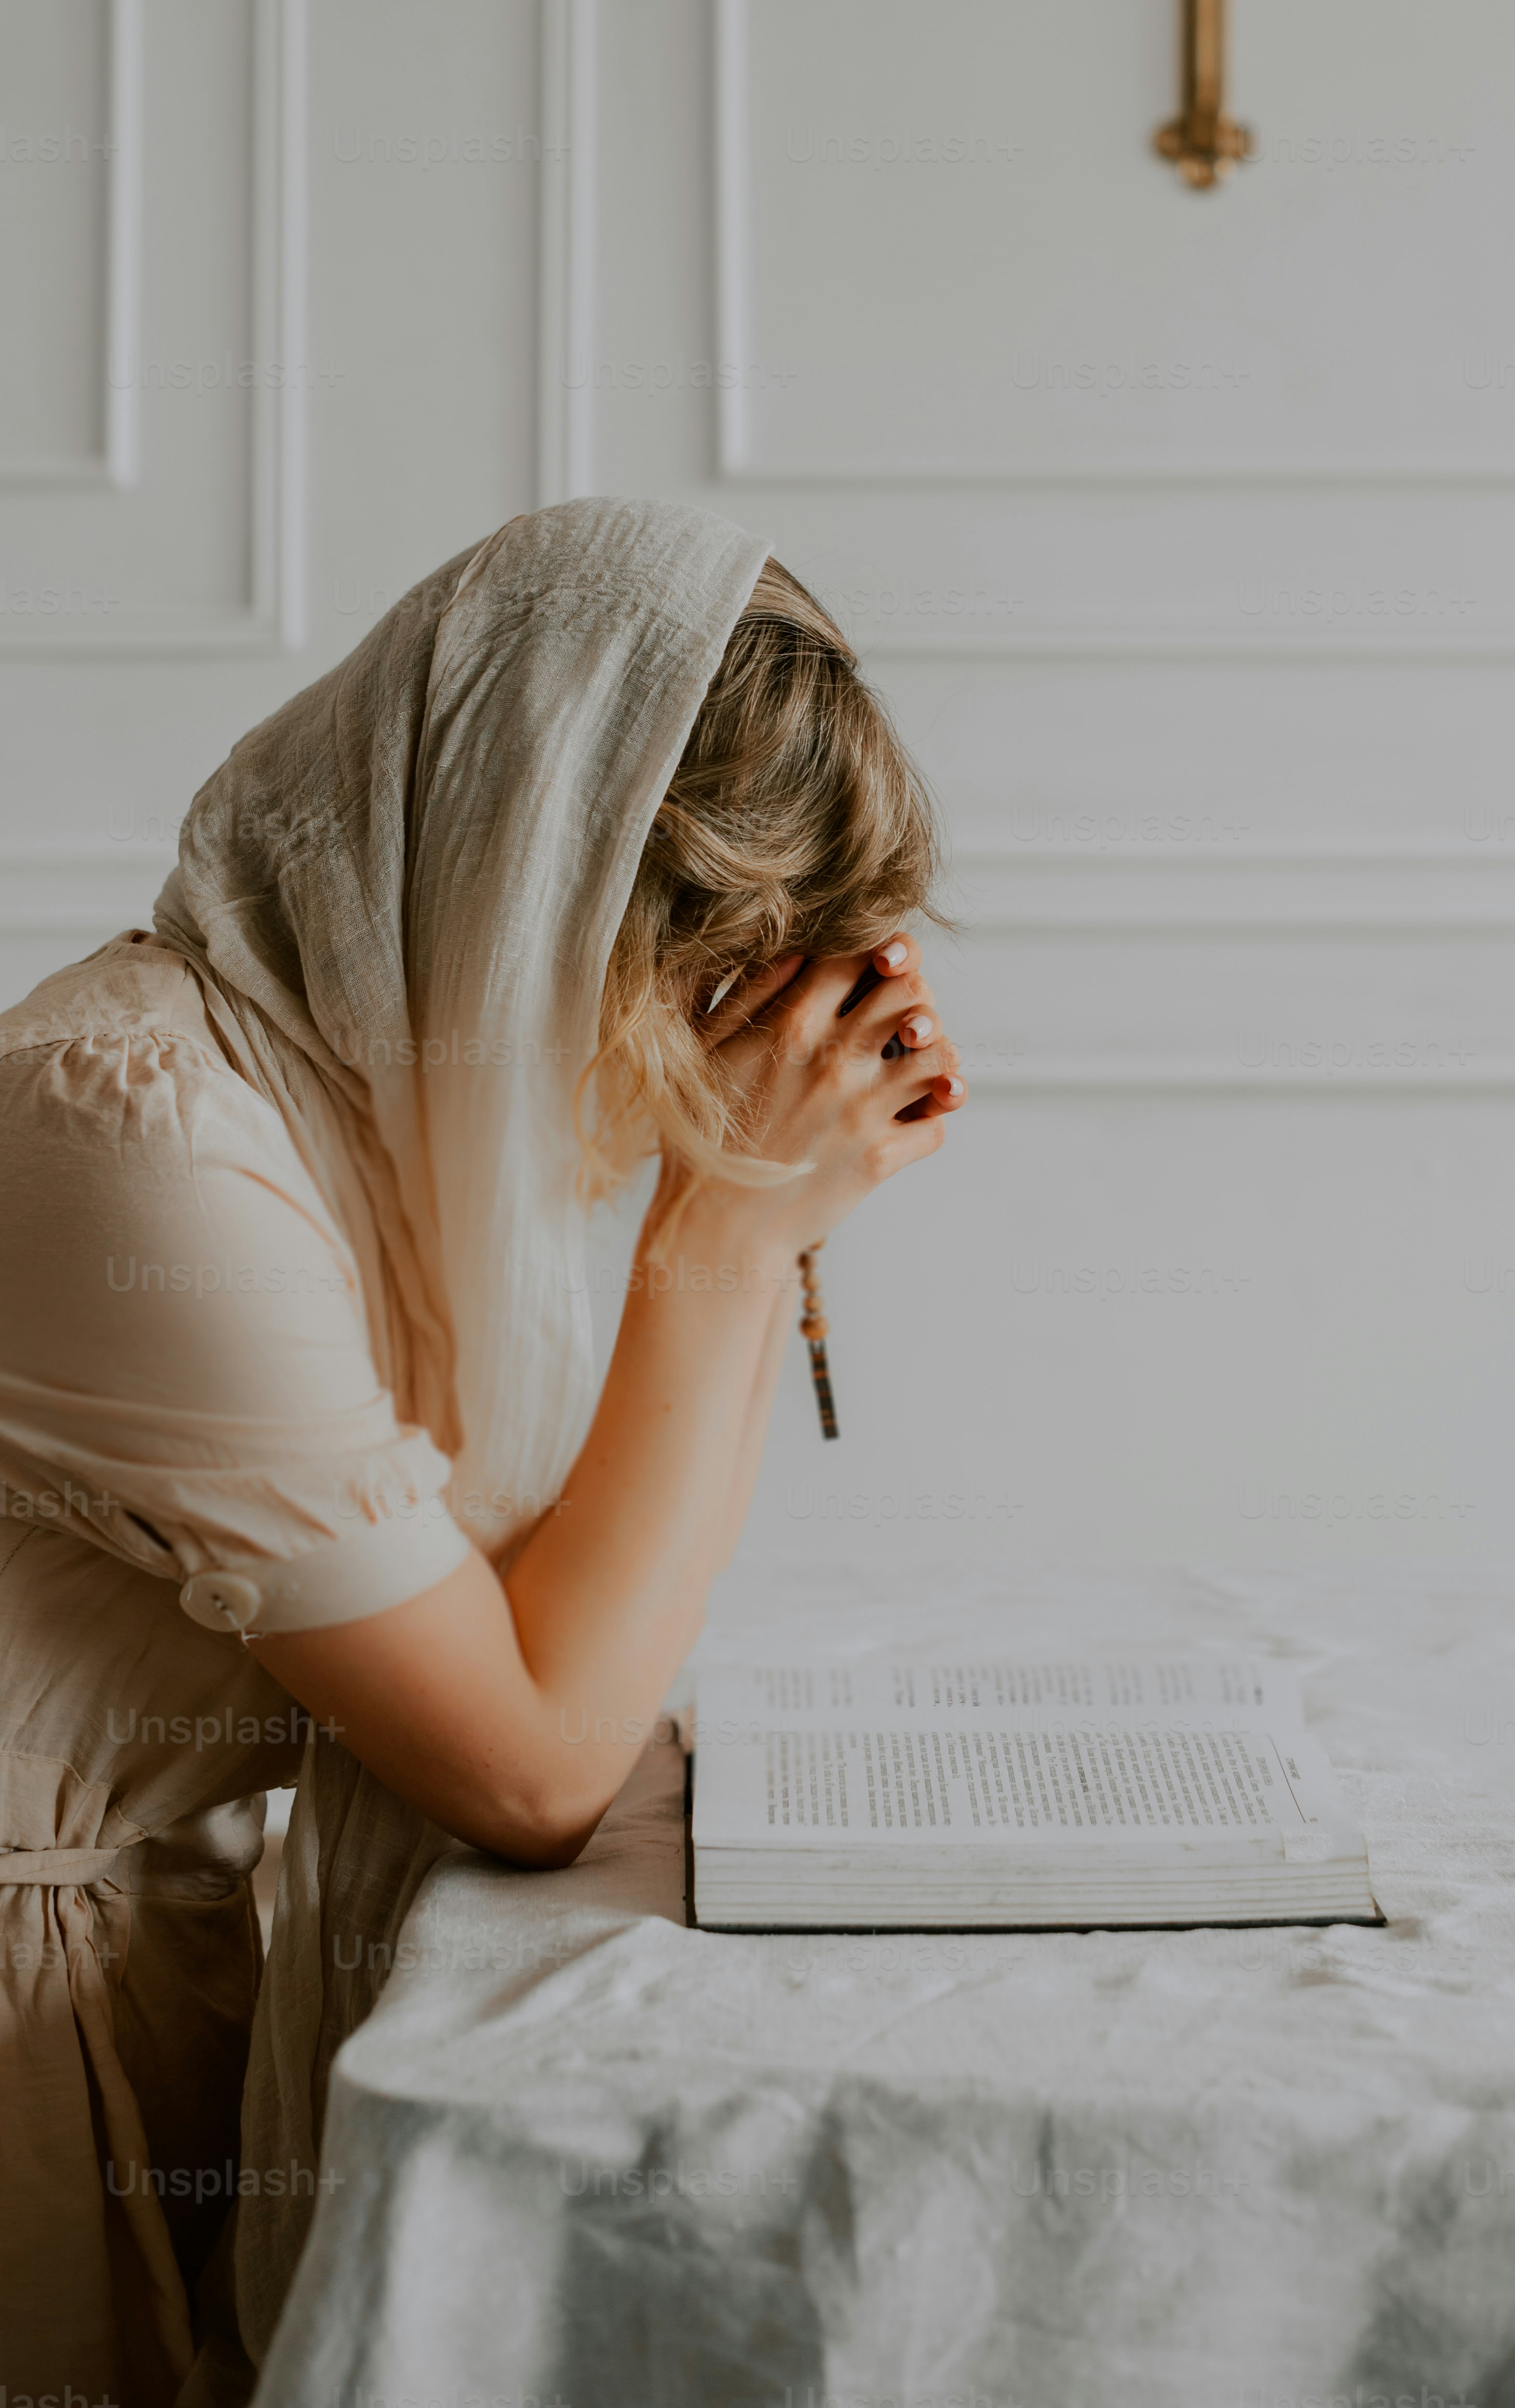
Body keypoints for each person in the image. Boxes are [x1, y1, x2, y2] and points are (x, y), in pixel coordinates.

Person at [0, 499, 962, 2402]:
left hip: (138, 1964)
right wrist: (733, 1231)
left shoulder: (362, 1121)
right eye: (705, 981)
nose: (700, 1055)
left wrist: (739, 1221)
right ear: (530, 881)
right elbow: (527, 1757)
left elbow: (553, 1633)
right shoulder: (135, 1133)